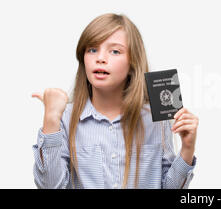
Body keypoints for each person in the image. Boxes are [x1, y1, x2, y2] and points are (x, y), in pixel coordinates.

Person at [31, 13, 199, 189]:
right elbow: (51, 187)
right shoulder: (65, 118)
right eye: (92, 50)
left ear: (133, 62)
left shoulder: (155, 118)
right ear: (83, 58)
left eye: (115, 51)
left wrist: (187, 148)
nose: (100, 58)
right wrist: (51, 120)